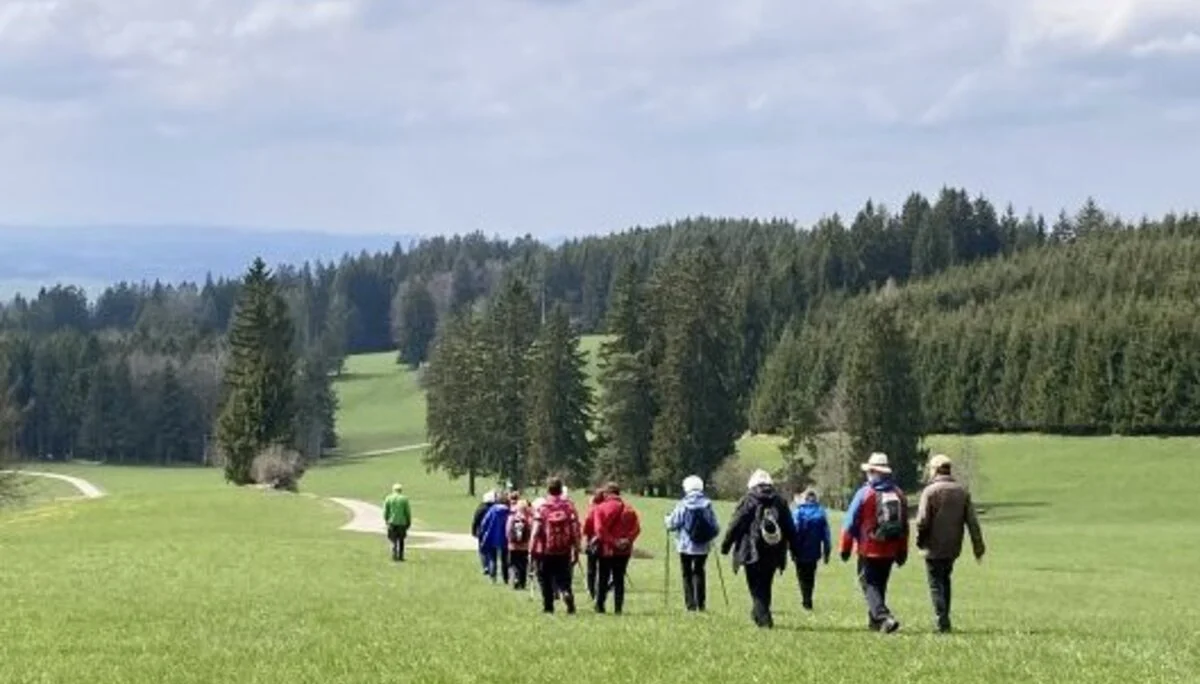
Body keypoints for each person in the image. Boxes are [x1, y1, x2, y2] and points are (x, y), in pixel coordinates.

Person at [839, 452, 910, 634]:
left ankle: (884, 617)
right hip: (891, 548)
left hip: (869, 548)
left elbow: (850, 522)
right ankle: (876, 624)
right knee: (880, 585)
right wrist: (902, 550)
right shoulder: (898, 494)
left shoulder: (865, 493)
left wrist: (845, 547)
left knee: (869, 584)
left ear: (872, 472)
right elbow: (904, 525)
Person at [916, 454, 986, 633]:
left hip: (933, 546)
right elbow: (973, 523)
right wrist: (978, 548)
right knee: (945, 580)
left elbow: (922, 520)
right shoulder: (962, 492)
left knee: (935, 583)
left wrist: (920, 540)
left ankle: (942, 620)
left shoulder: (930, 492)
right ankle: (945, 616)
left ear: (935, 470)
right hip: (953, 547)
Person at [720, 469, 797, 628]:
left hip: (751, 550)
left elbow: (736, 524)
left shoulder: (748, 500)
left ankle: (764, 619)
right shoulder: (780, 501)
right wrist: (794, 549)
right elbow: (790, 528)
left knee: (755, 586)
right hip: (774, 550)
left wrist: (726, 545)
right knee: (766, 584)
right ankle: (758, 614)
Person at [665, 475, 720, 612]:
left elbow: (673, 524)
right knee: (699, 571)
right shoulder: (707, 504)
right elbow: (715, 525)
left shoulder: (683, 504)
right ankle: (701, 604)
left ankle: (690, 605)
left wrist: (667, 519)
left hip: (685, 545)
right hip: (703, 545)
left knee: (686, 573)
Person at [584, 482, 641, 614]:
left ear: (606, 493)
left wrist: (613, 542)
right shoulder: (629, 509)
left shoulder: (600, 508)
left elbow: (599, 530)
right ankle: (618, 608)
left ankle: (600, 606)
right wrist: (627, 540)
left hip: (607, 549)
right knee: (619, 579)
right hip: (624, 550)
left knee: (603, 578)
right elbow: (637, 528)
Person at [529, 477, 582, 614]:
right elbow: (575, 529)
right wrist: (577, 548)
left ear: (548, 489)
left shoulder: (543, 508)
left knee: (545, 578)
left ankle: (548, 606)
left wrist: (531, 550)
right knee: (564, 577)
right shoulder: (569, 507)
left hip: (544, 550)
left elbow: (535, 531)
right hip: (564, 550)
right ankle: (565, 592)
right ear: (561, 489)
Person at [790, 487, 831, 610]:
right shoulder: (821, 512)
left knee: (801, 576)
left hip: (799, 550)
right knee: (811, 576)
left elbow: (794, 531)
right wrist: (827, 552)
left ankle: (805, 599)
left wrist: (791, 548)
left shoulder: (798, 512)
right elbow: (826, 535)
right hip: (814, 551)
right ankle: (808, 598)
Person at [479, 494, 512, 583]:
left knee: (492, 558)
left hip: (491, 536)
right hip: (505, 537)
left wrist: (482, 532)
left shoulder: (492, 510)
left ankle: (493, 577)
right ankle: (506, 578)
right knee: (504, 559)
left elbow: (484, 522)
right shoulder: (508, 511)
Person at [507, 498, 534, 590]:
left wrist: (510, 541)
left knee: (514, 563)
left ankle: (515, 578)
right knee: (523, 565)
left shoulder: (512, 517)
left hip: (513, 546)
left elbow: (508, 531)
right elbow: (531, 531)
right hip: (525, 546)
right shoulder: (528, 518)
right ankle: (522, 583)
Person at [583, 488, 605, 600]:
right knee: (603, 569)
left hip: (592, 542)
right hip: (605, 543)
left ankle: (592, 591)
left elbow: (587, 526)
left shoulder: (593, 510)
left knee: (591, 569)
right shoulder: (606, 509)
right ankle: (601, 590)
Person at [382, 483, 412, 562]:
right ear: (401, 490)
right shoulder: (404, 499)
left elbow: (385, 511)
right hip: (402, 523)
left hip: (392, 522)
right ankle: (401, 556)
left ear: (393, 490)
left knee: (393, 539)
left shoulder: (388, 498)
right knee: (401, 540)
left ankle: (394, 555)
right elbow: (407, 511)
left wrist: (386, 520)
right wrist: (408, 521)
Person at [472, 491, 495, 575]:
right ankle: (492, 567)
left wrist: (474, 531)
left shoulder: (481, 508)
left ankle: (486, 566)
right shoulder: (495, 508)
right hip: (492, 531)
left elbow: (475, 520)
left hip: (482, 532)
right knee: (491, 551)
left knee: (482, 550)